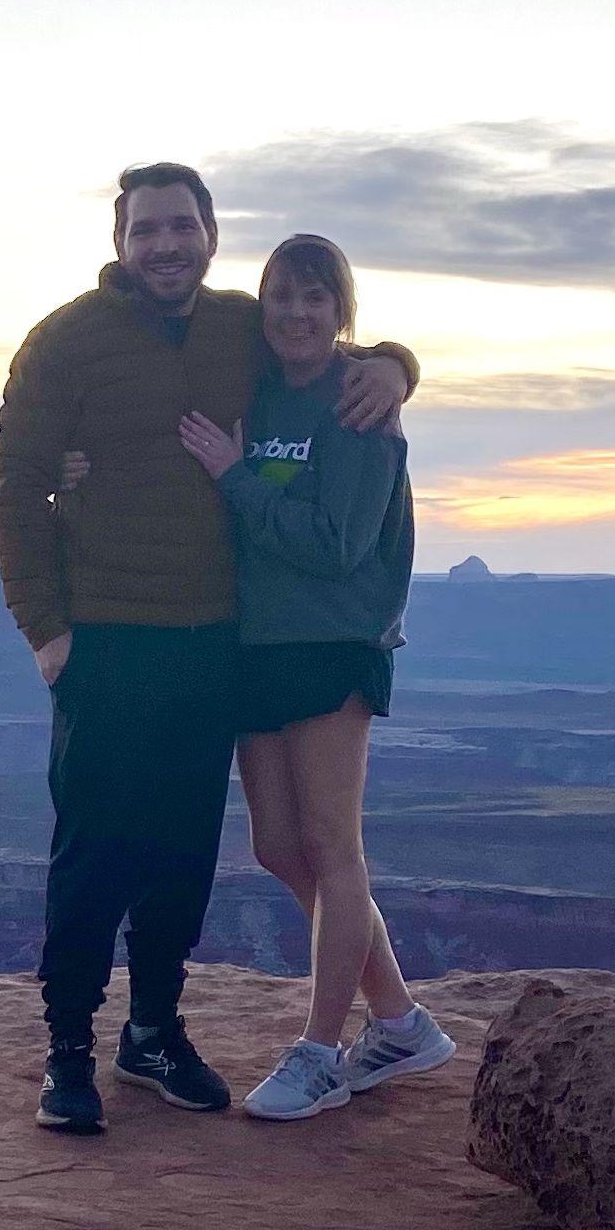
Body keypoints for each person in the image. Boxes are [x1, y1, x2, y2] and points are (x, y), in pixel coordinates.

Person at [0, 165, 414, 1135]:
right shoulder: (65, 341)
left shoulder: (235, 328)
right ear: (121, 241)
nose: (167, 246)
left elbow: (322, 347)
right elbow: (14, 486)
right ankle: (67, 1052)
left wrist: (396, 364)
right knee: (95, 850)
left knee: (183, 851)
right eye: (148, 231)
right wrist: (48, 634)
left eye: (183, 227)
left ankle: (154, 1032)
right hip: (104, 637)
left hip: (212, 640)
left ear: (212, 236)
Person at [182, 232, 456, 1120]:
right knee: (277, 847)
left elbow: (337, 547)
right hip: (258, 642)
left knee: (334, 847)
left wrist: (237, 479)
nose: (297, 314)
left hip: (334, 642)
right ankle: (402, 1022)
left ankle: (320, 1052)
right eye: (281, 298)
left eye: (316, 298)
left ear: (342, 310)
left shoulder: (359, 405)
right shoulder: (259, 394)